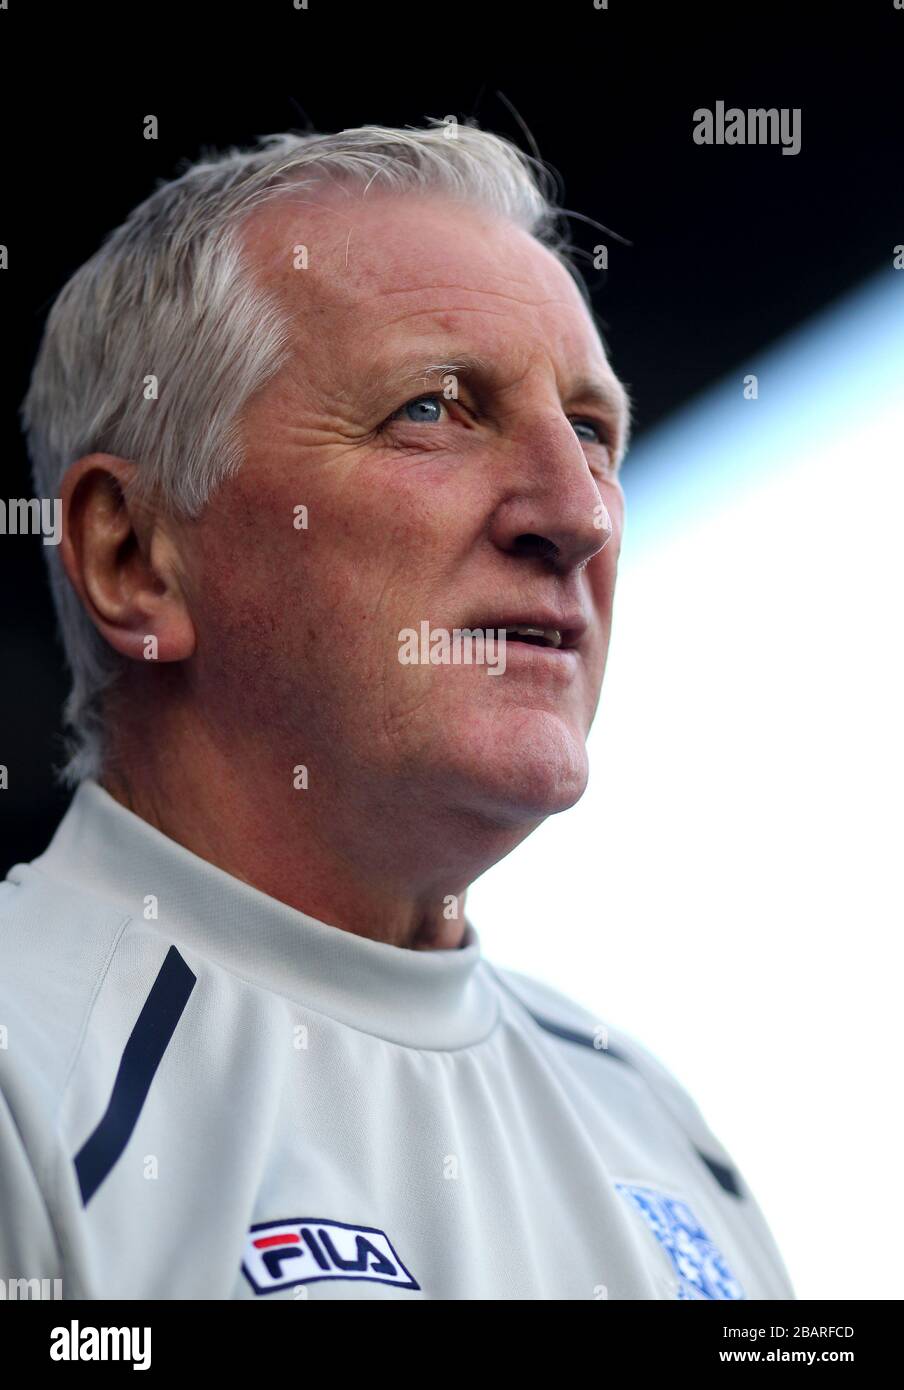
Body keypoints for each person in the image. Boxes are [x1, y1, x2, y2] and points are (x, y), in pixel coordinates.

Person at [1, 121, 794, 1299]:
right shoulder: (26, 1077)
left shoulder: (661, 1129)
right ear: (135, 556)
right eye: (434, 408)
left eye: (591, 431)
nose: (576, 514)